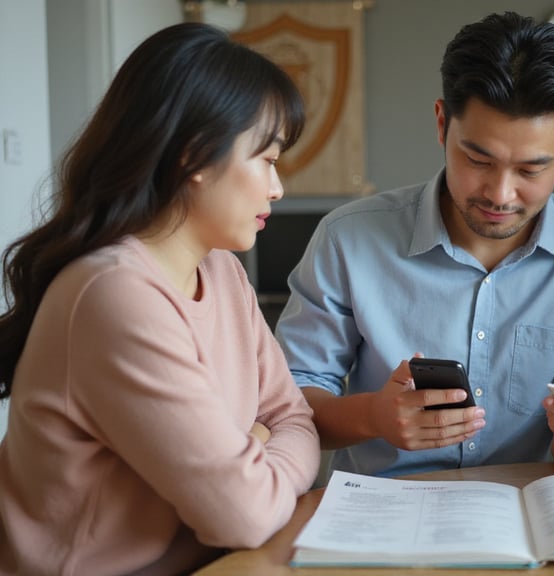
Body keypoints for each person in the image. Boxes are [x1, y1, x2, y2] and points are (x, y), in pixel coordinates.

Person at [0, 23, 322, 574]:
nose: (277, 188)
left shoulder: (221, 271)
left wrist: (255, 448)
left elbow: (296, 419)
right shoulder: (115, 294)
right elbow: (244, 513)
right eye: (266, 160)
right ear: (194, 157)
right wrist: (255, 449)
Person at [274, 11, 554, 478]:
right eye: (477, 159)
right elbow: (287, 407)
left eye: (531, 170)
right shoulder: (348, 239)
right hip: (384, 515)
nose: (499, 193)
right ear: (441, 124)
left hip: (533, 512)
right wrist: (373, 416)